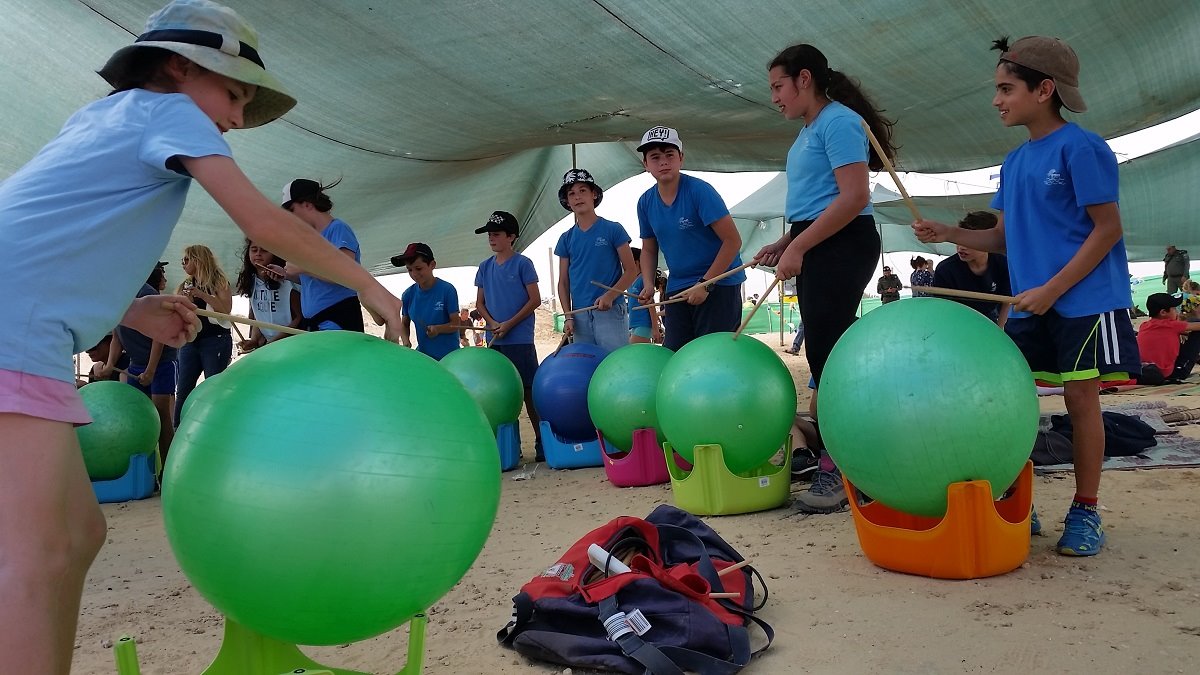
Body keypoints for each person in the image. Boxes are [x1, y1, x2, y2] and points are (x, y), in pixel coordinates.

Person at [0, 3, 402, 670]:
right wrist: (369, 284)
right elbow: (262, 221)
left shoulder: (102, 117)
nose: (238, 117)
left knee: (78, 534)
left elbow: (47, 240)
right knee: (40, 551)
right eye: (234, 93)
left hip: (21, 321)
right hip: (15, 332)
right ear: (179, 67)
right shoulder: (171, 111)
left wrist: (133, 309)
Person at [914, 35, 1139, 556]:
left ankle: (1086, 510)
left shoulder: (1082, 147)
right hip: (1031, 302)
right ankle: (1019, 499)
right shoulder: (1015, 161)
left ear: (1044, 90)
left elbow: (1107, 229)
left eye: (1006, 89)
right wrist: (949, 232)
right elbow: (1004, 238)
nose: (996, 100)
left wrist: (1053, 288)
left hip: (1083, 300)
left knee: (1080, 400)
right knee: (1013, 401)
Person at [754, 43, 895, 513]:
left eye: (778, 86)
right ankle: (846, 459)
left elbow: (854, 197)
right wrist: (786, 242)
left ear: (804, 79)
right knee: (822, 354)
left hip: (843, 243)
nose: (775, 97)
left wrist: (799, 246)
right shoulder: (810, 129)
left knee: (829, 358)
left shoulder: (838, 122)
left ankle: (843, 468)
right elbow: (815, 203)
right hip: (820, 240)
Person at [635, 126, 746, 350]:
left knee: (712, 352)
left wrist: (705, 284)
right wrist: (647, 284)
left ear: (681, 158)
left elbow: (733, 241)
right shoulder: (645, 202)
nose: (663, 162)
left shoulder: (699, 191)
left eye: (669, 155)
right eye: (655, 157)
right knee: (675, 352)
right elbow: (648, 249)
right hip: (679, 286)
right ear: (646, 164)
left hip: (719, 283)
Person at [475, 211, 544, 459]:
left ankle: (542, 442)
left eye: (496, 234)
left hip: (520, 340)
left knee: (529, 391)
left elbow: (534, 299)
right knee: (500, 393)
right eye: (489, 235)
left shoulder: (523, 263)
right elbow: (479, 303)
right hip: (495, 340)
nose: (491, 239)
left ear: (511, 236)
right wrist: (493, 322)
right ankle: (508, 448)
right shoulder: (484, 267)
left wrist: (509, 323)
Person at [554, 169, 637, 353]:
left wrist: (610, 296)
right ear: (567, 201)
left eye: (583, 190)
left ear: (594, 194)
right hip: (579, 315)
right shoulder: (566, 238)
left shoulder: (613, 229)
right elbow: (563, 282)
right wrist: (568, 316)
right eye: (571, 193)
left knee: (613, 362)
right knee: (586, 363)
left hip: (611, 311)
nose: (577, 197)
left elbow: (631, 271)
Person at [269, 178, 366, 332]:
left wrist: (303, 268)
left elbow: (346, 274)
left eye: (291, 210)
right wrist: (287, 274)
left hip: (338, 316)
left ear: (307, 204)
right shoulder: (310, 238)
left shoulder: (338, 228)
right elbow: (315, 280)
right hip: (316, 321)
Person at [106, 262, 179, 458]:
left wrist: (151, 369)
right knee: (138, 417)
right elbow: (116, 337)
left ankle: (167, 467)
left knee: (161, 415)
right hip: (136, 364)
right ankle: (146, 468)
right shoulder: (114, 296)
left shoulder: (146, 293)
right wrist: (110, 365)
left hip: (161, 364)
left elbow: (158, 335)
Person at [173, 244, 233, 423]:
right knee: (183, 389)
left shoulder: (219, 281)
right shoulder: (185, 285)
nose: (183, 264)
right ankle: (178, 426)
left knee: (214, 387)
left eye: (186, 260)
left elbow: (225, 310)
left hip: (215, 339)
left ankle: (215, 424)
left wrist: (202, 295)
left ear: (198, 260)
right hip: (191, 341)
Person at [931, 211, 1012, 326]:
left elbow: (1007, 300)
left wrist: (1000, 328)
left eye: (969, 241)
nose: (961, 247)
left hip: (989, 318)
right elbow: (943, 309)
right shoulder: (945, 270)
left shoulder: (1003, 264)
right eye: (960, 240)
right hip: (955, 321)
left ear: (990, 243)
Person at [394, 242, 461, 360]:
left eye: (418, 268)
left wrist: (438, 329)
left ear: (432, 265)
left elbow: (456, 324)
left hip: (449, 358)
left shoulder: (447, 290)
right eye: (409, 270)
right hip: (425, 357)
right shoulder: (408, 295)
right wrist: (405, 341)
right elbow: (404, 323)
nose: (414, 274)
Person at [233, 239, 301, 352]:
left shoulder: (287, 280)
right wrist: (254, 340)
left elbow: (299, 317)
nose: (258, 254)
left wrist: (274, 341)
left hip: (291, 343)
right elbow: (259, 315)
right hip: (270, 345)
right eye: (254, 250)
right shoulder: (251, 281)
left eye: (264, 250)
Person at [1136, 293, 1200, 383]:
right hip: (1174, 373)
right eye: (1174, 309)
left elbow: (1176, 332)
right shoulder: (1171, 325)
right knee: (1197, 332)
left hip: (1148, 371)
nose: (1177, 312)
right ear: (1163, 312)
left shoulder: (1144, 325)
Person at [627, 247, 663, 344]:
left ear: (636, 262)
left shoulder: (643, 279)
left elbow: (651, 304)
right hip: (633, 324)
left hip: (643, 323)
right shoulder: (630, 282)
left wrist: (655, 328)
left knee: (633, 349)